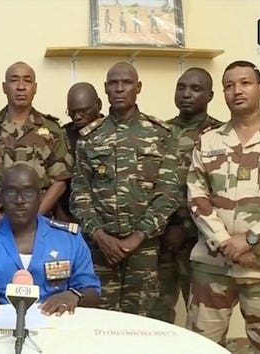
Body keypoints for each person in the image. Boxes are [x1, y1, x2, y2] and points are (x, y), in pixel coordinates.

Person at [186, 61, 260, 353]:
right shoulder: (208, 139)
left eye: (245, 83)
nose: (236, 91)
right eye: (229, 86)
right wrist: (225, 242)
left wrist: (250, 238)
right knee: (199, 348)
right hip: (213, 265)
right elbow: (196, 195)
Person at [70, 62, 180, 318]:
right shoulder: (90, 136)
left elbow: (168, 193)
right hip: (100, 249)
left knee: (141, 321)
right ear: (105, 89)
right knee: (96, 318)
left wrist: (137, 237)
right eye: (113, 83)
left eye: (127, 83)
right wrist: (99, 236)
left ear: (138, 87)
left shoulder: (161, 134)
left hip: (144, 249)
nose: (120, 89)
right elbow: (79, 192)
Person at [0, 165, 101, 315]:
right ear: (1, 197)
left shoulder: (69, 239)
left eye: (28, 193)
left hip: (55, 328)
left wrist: (75, 296)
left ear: (40, 196)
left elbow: (92, 291)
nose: (20, 200)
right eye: (11, 193)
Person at [152, 68, 223, 324]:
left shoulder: (220, 136)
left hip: (201, 241)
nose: (186, 94)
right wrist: (168, 226)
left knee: (203, 317)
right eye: (181, 87)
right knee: (156, 315)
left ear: (210, 95)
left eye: (195, 89)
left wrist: (184, 227)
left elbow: (221, 191)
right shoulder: (160, 132)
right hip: (160, 240)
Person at [0, 61, 72, 222]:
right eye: (14, 80)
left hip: (40, 222)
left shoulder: (53, 130)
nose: (21, 87)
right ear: (4, 87)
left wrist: (35, 218)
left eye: (27, 81)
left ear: (34, 88)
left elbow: (60, 181)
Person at [55, 82, 102, 223]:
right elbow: (53, 178)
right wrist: (60, 214)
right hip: (69, 217)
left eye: (83, 111)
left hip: (106, 219)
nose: (77, 117)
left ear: (98, 105)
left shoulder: (113, 132)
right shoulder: (62, 135)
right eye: (72, 112)